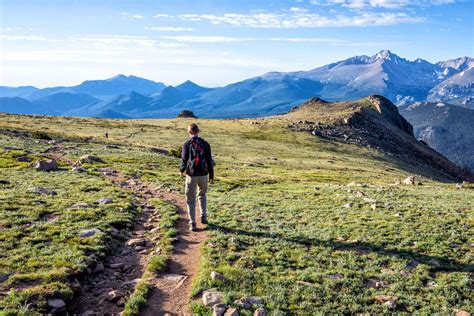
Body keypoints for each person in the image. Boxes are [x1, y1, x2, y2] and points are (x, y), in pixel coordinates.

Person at [180, 123, 214, 231]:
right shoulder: (205, 144)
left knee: (190, 199)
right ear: (198, 131)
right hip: (204, 174)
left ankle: (192, 223)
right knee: (202, 195)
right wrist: (211, 175)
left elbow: (184, 160)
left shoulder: (187, 144)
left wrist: (182, 170)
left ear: (189, 132)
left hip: (191, 175)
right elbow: (209, 161)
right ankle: (203, 215)